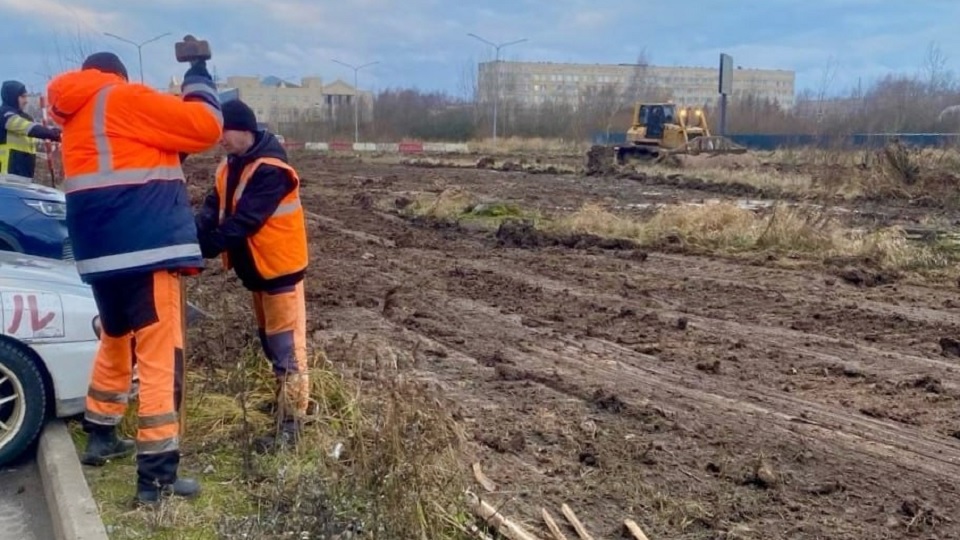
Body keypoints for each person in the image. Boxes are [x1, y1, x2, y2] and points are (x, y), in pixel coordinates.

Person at [46, 51, 222, 504]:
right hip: (147, 250)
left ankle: (102, 432)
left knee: (116, 338)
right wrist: (199, 75)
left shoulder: (76, 115)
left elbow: (131, 161)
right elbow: (204, 126)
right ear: (118, 76)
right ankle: (156, 478)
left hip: (100, 255)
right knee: (162, 357)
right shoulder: (122, 98)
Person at [195, 99, 309, 451]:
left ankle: (293, 424)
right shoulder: (232, 164)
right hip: (258, 271)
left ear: (242, 128)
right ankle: (283, 404)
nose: (219, 140)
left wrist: (204, 248)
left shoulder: (270, 169)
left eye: (222, 132)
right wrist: (192, 234)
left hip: (279, 271)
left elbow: (246, 221)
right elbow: (214, 206)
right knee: (269, 341)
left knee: (287, 348)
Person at [0, 80, 61, 178]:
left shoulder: (24, 117)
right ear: (13, 97)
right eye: (23, 97)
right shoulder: (4, 115)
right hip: (7, 173)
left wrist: (61, 132)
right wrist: (56, 135)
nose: (26, 101)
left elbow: (39, 128)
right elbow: (30, 128)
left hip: (23, 172)